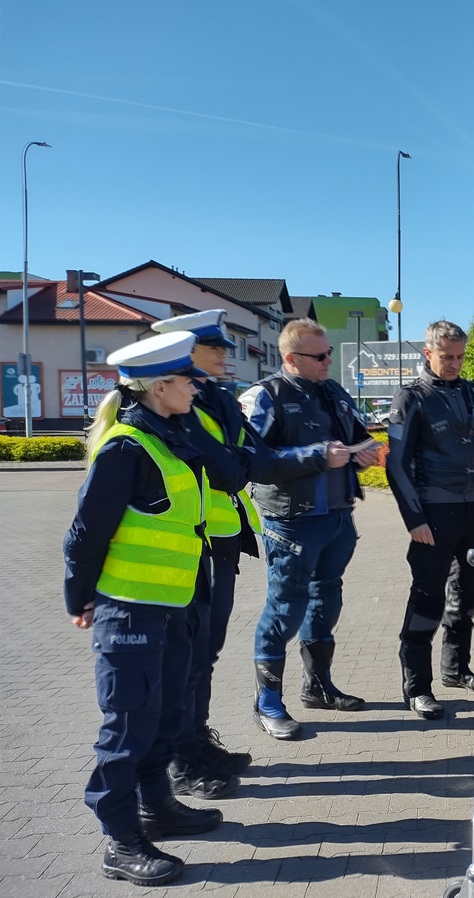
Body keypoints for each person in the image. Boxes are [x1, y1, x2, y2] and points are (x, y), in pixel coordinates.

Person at [63, 332, 226, 886]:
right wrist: (79, 595)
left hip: (171, 604)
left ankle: (158, 807)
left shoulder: (173, 437)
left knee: (167, 714)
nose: (197, 387)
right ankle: (119, 838)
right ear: (162, 387)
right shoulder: (125, 448)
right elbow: (86, 534)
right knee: (129, 724)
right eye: (188, 380)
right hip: (129, 610)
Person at [151, 311, 327, 790]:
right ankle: (179, 762)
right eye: (217, 347)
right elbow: (235, 468)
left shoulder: (212, 399)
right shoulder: (176, 406)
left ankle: (197, 744)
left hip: (220, 540)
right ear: (186, 352)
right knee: (183, 660)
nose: (227, 355)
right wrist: (249, 462)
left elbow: (255, 459)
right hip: (187, 546)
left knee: (205, 654)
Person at [239, 320, 380, 740]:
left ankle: (318, 686)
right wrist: (316, 455)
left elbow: (356, 435)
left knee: (326, 599)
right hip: (292, 521)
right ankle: (267, 703)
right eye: (319, 356)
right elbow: (252, 458)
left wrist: (363, 452)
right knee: (285, 608)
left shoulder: (333, 392)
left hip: (337, 517)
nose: (328, 361)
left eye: (329, 353)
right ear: (290, 359)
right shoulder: (266, 396)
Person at [385, 320, 474, 720]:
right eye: (446, 357)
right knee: (427, 599)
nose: (455, 363)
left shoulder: (471, 391)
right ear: (428, 353)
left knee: (467, 596)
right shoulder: (411, 398)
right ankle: (417, 687)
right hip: (433, 515)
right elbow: (396, 467)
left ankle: (456, 669)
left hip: (472, 510)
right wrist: (413, 519)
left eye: (459, 356)